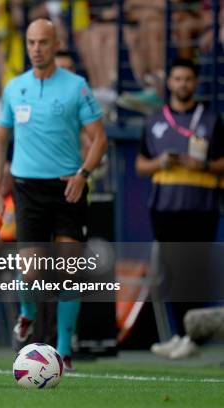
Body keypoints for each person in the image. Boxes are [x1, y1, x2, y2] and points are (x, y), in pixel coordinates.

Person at [0, 19, 108, 371]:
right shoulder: (15, 88)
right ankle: (26, 314)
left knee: (69, 270)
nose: (36, 48)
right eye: (30, 42)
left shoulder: (76, 87)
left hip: (66, 186)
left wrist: (83, 174)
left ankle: (64, 350)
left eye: (43, 42)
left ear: (56, 44)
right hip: (27, 188)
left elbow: (99, 138)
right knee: (31, 271)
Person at [135, 58, 223, 349]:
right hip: (165, 207)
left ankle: (194, 337)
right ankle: (181, 335)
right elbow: (140, 165)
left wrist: (205, 166)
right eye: (177, 79)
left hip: (201, 206)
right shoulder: (154, 120)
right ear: (169, 83)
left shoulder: (211, 120)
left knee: (194, 271)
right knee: (171, 271)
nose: (182, 84)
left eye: (187, 79)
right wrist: (161, 161)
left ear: (195, 84)